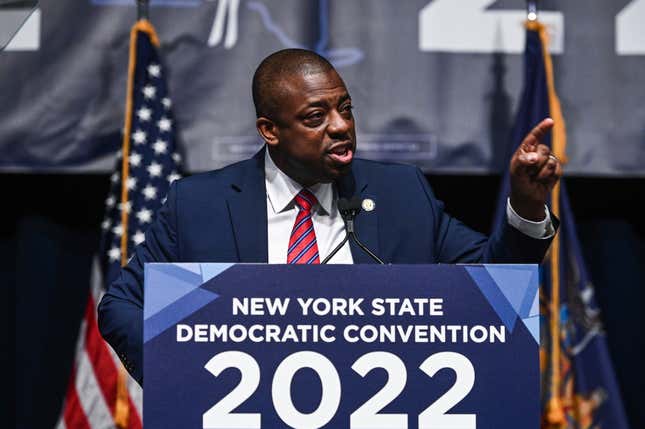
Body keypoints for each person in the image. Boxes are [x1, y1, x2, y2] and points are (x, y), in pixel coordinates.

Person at [98, 48, 562, 384]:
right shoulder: (199, 205)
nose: (340, 126)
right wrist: (182, 376)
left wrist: (526, 205)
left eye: (345, 109)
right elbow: (120, 305)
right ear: (270, 130)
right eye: (316, 116)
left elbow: (496, 283)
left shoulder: (401, 194)